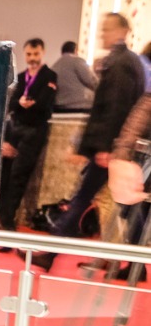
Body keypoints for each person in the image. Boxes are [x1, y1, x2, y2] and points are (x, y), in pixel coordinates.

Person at [53, 12, 145, 238]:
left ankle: (54, 244)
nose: (103, 34)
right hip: (116, 146)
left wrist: (106, 147)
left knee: (86, 198)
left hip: (112, 147)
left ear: (122, 31)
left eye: (107, 29)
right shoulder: (127, 61)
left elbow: (114, 108)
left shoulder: (120, 63)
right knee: (117, 203)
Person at [0, 38, 57, 230]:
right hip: (15, 129)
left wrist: (29, 104)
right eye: (29, 54)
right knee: (5, 174)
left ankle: (7, 219)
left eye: (36, 54)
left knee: (19, 176)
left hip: (34, 131)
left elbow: (45, 104)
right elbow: (12, 103)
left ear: (42, 53)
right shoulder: (21, 77)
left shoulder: (50, 76)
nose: (32, 58)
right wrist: (21, 104)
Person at [53, 40, 98, 113]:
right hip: (79, 106)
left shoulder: (55, 66)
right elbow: (91, 80)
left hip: (59, 107)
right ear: (75, 50)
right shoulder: (78, 61)